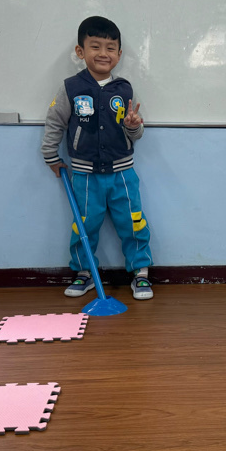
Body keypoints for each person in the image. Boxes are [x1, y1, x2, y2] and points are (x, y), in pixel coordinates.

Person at [41, 16, 154, 300]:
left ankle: (140, 272)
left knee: (133, 222)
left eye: (110, 48)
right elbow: (55, 122)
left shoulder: (124, 89)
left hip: (122, 174)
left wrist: (133, 126)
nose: (103, 53)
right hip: (85, 176)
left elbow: (136, 133)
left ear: (119, 54)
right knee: (84, 225)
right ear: (80, 51)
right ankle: (85, 272)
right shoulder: (70, 88)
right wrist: (51, 156)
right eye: (95, 46)